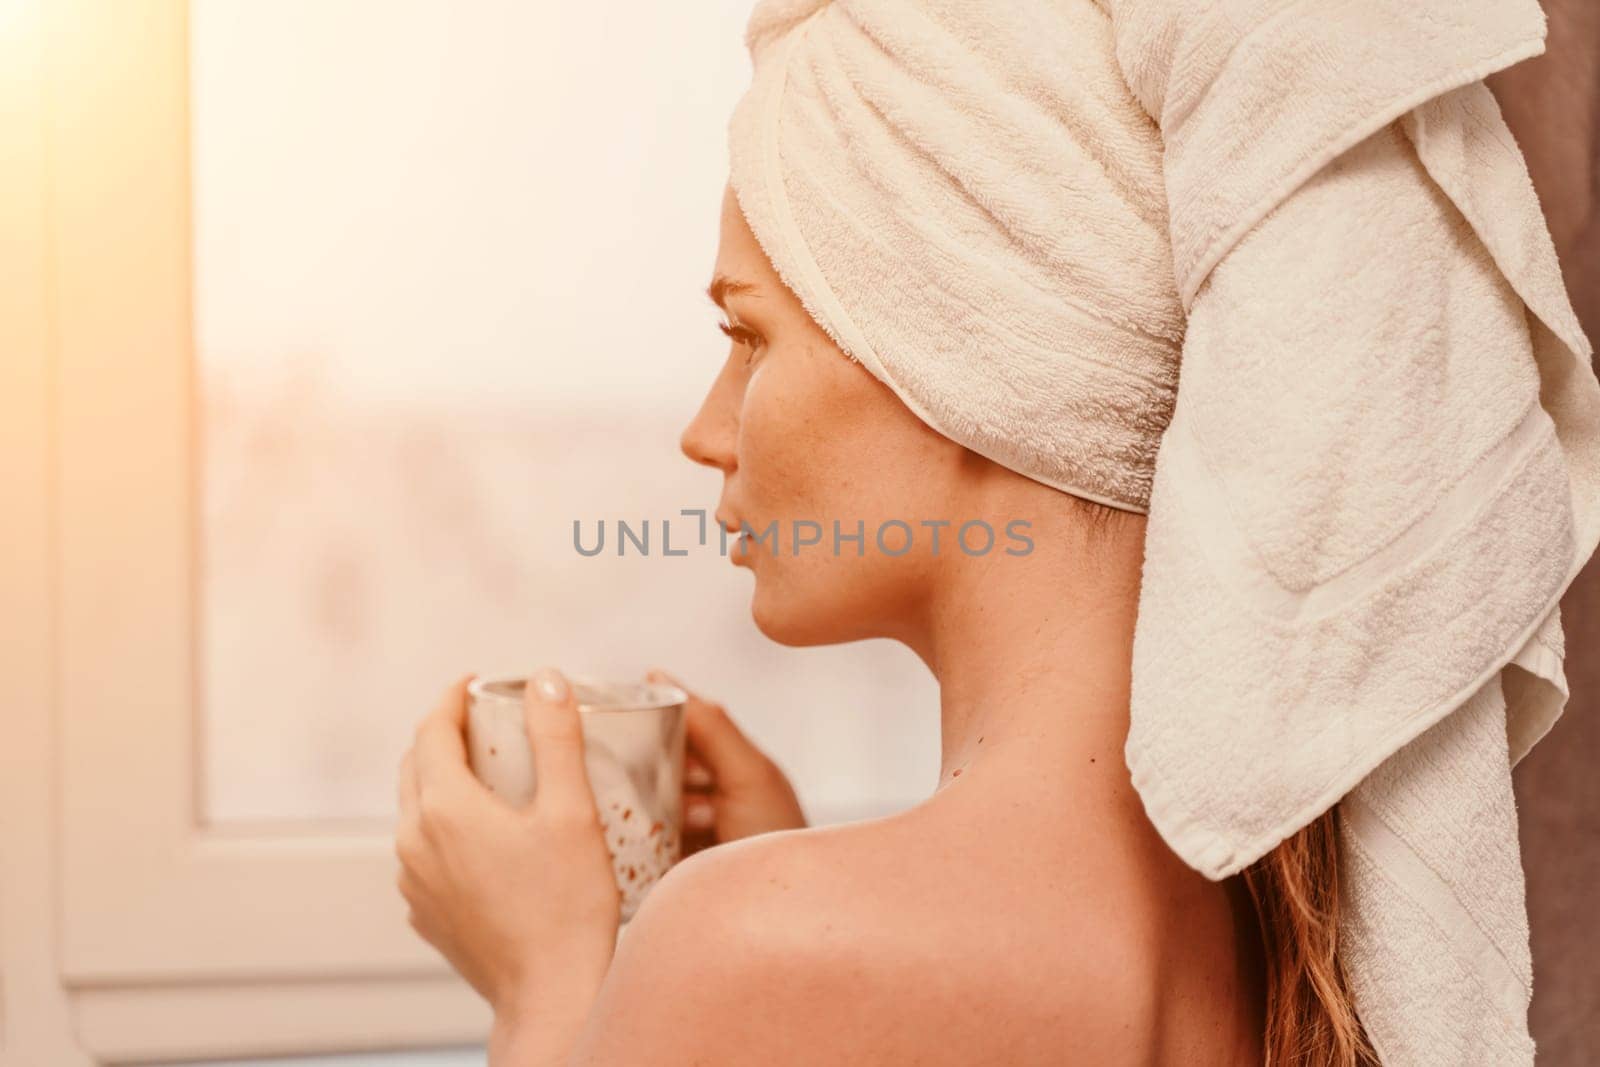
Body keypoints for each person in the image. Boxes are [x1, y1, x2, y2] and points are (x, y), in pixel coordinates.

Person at [396, 2, 1597, 1064]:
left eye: (750, 336)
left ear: (970, 365)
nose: (707, 432)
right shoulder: (1298, 947)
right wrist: (798, 869)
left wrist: (548, 987)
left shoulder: (749, 948)